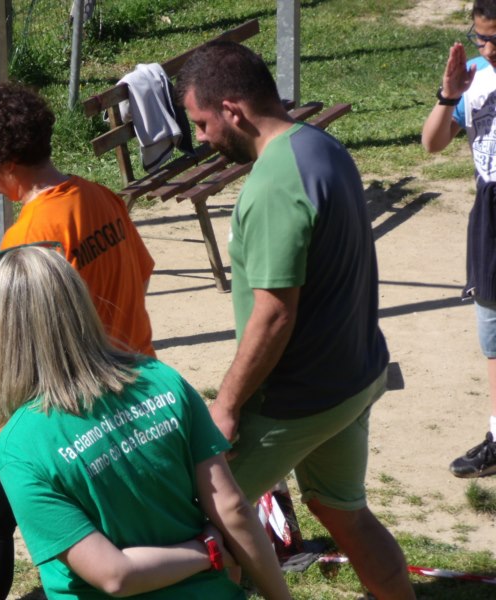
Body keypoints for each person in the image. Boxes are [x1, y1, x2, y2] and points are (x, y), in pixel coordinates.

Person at [175, 42, 416, 600]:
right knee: (341, 509)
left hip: (292, 402)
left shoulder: (272, 186)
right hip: (353, 378)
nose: (204, 139)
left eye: (203, 123)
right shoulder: (322, 147)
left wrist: (227, 408)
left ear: (232, 110)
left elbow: (275, 312)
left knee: (203, 527)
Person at [0, 245, 292, 600]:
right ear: (80, 302)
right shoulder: (159, 379)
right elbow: (231, 507)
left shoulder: (18, 447)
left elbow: (115, 576)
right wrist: (216, 556)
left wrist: (204, 554)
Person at [0, 83, 155, 599]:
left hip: (69, 402)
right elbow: (142, 270)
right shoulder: (101, 196)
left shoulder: (28, 239)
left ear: (4, 160)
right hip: (131, 379)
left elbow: (19, 347)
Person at [422, 0, 496, 479]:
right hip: (490, 208)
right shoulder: (476, 75)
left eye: (494, 39)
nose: (486, 48)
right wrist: (449, 96)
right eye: (481, 38)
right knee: (492, 332)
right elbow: (432, 142)